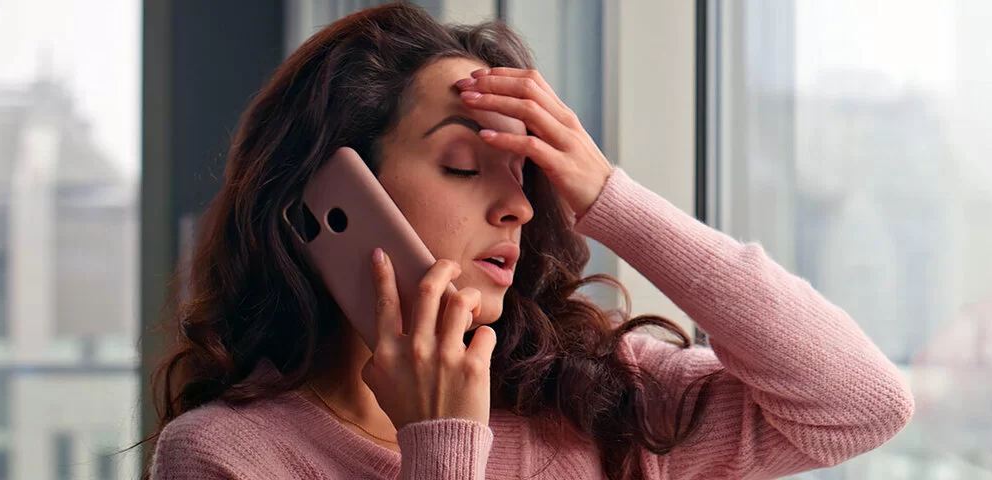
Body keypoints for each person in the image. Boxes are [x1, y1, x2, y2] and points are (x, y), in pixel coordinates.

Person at [144, 4, 912, 479]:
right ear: (329, 192)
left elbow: (859, 403)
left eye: (525, 175)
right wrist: (441, 444)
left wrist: (610, 196)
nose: (516, 206)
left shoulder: (599, 400)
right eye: (462, 165)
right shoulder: (229, 458)